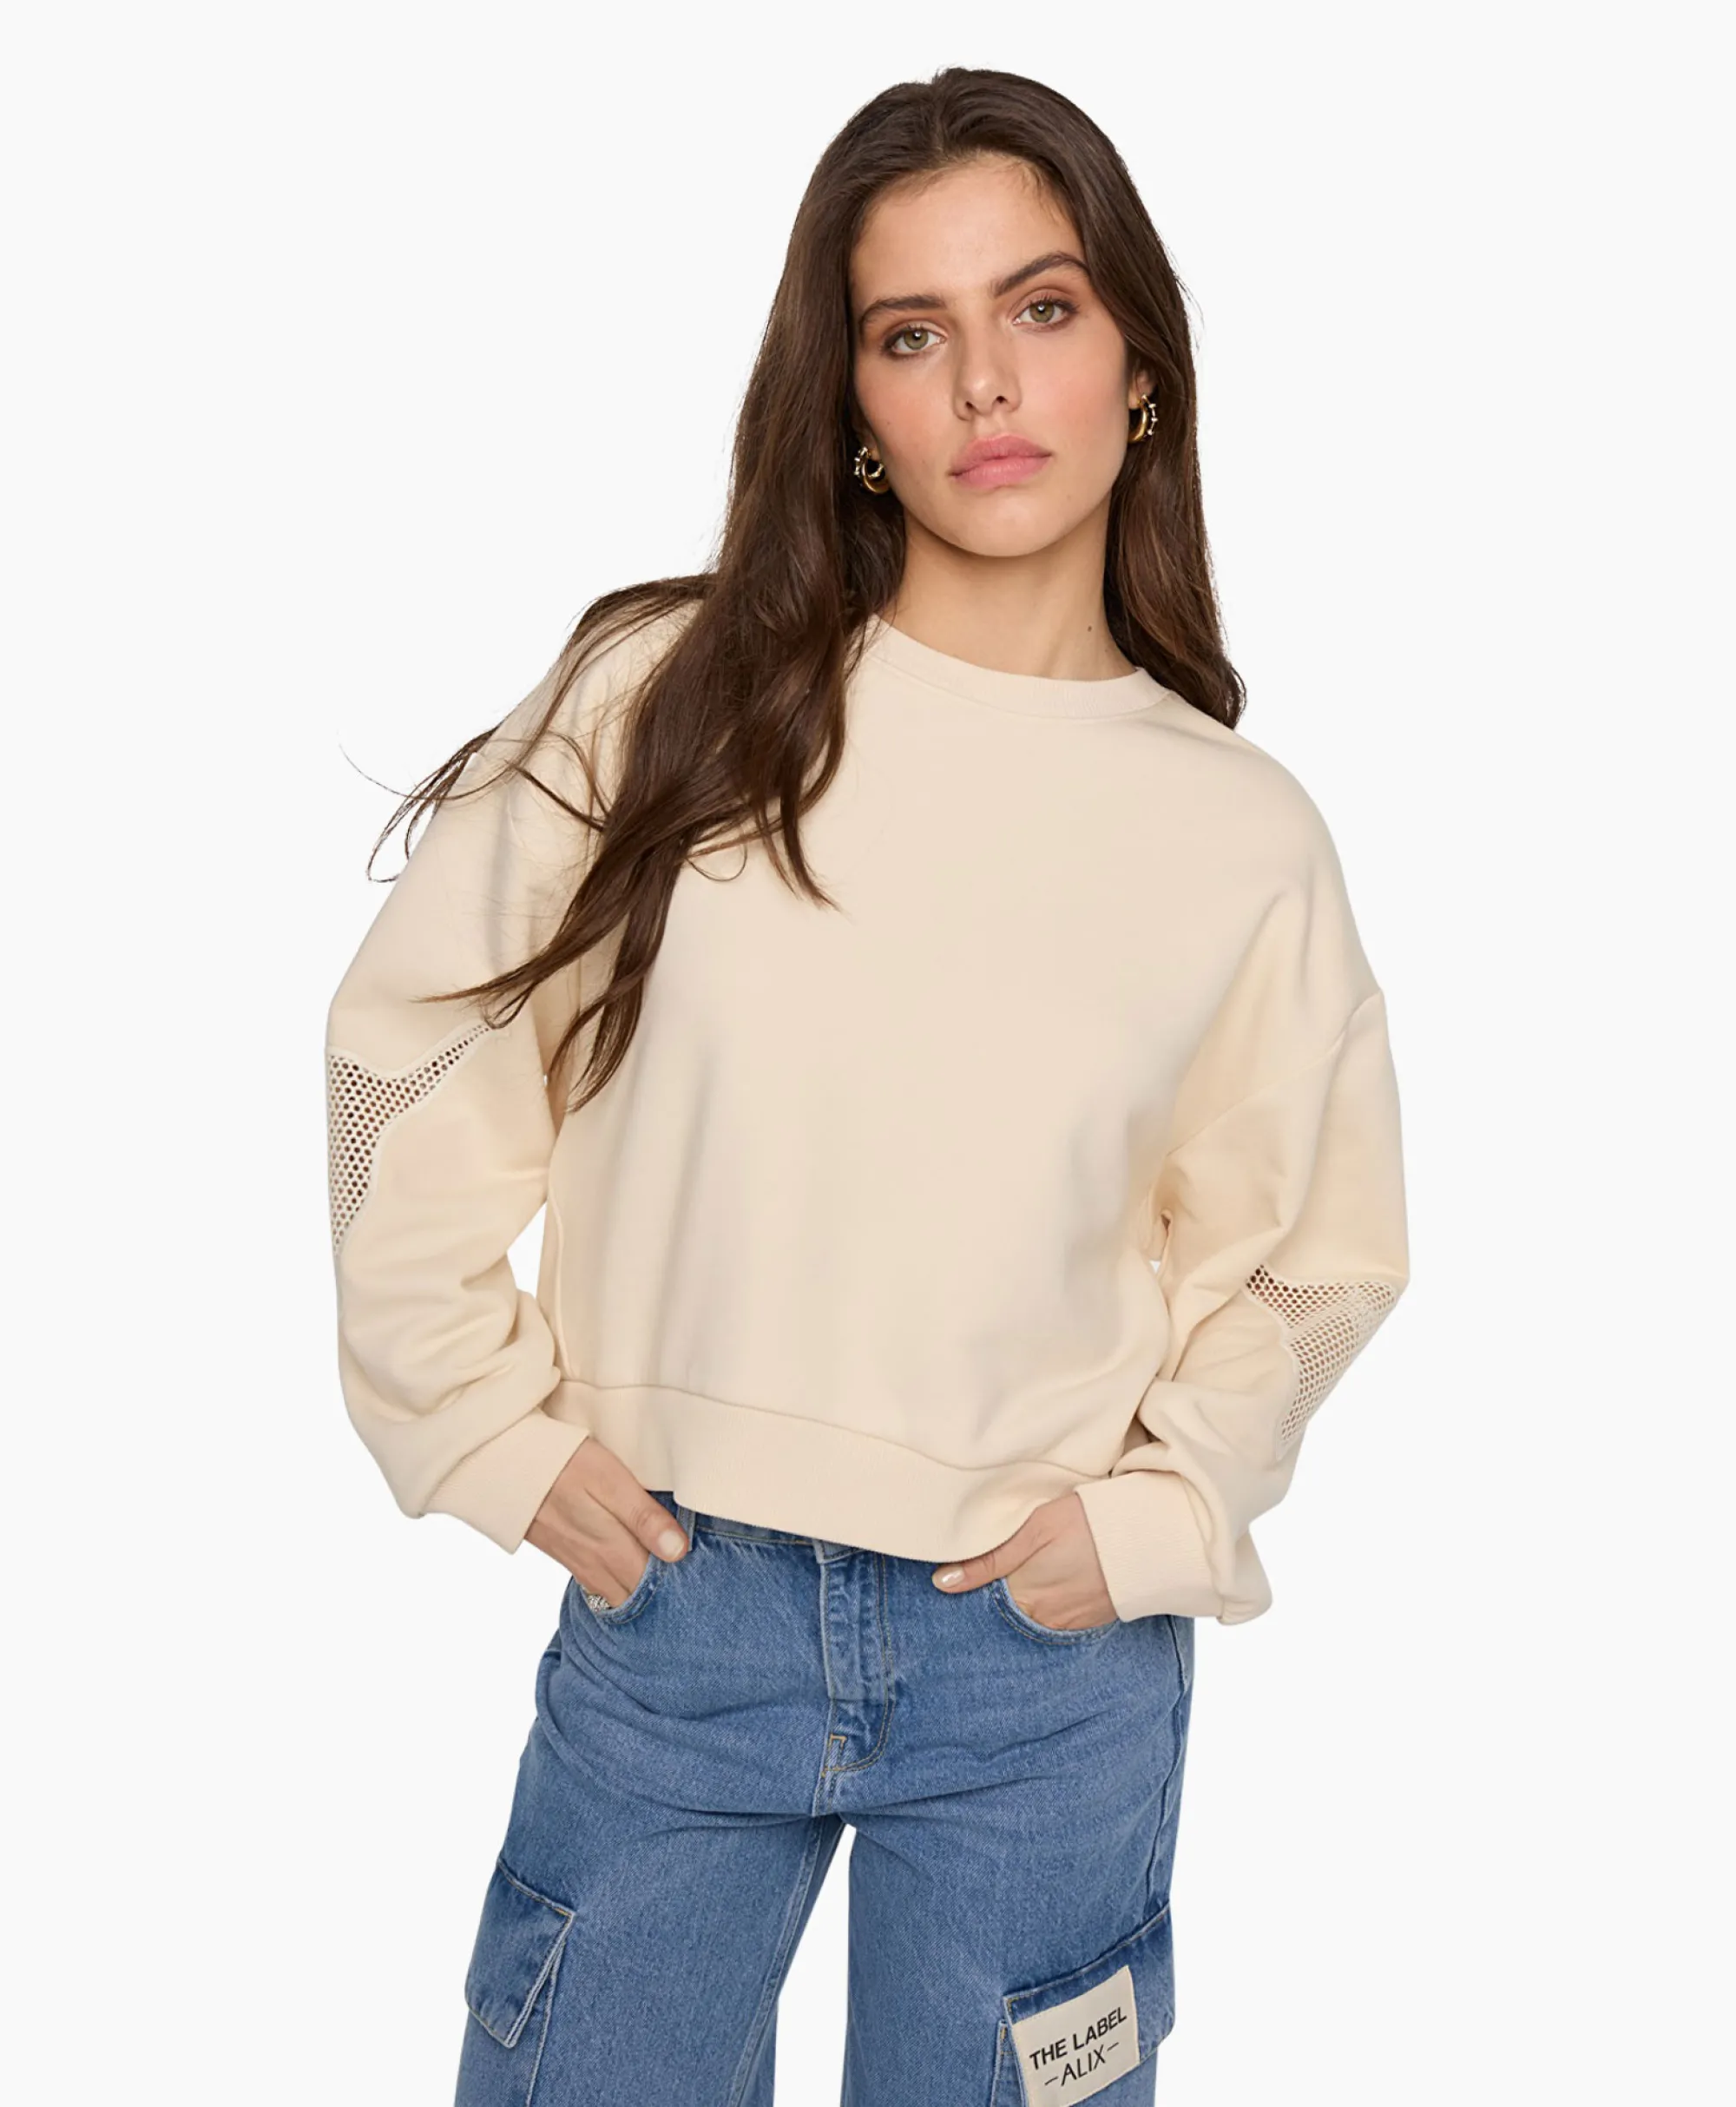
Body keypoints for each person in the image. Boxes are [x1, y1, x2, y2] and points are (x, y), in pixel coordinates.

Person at [324, 65, 1410, 2107]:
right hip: (678, 1608)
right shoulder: (666, 696)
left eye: (1042, 309)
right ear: (850, 403)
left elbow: (1313, 1250)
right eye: (912, 334)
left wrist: (1166, 1507)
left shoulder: (1238, 832)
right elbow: (418, 1046)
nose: (984, 383)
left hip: (1041, 1661)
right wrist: (472, 1419)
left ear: (1139, 368)